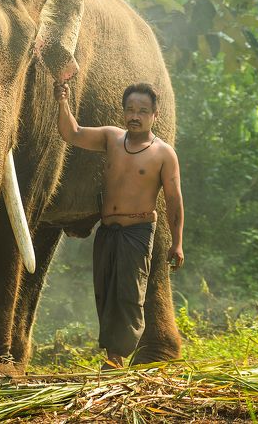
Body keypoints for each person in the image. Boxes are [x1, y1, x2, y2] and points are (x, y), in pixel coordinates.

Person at [54, 81, 184, 369]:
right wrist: (63, 101)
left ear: (155, 115)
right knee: (105, 291)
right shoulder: (112, 138)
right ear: (123, 112)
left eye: (143, 111)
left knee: (128, 293)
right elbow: (71, 133)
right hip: (107, 230)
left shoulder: (163, 154)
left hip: (136, 232)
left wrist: (177, 242)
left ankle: (117, 359)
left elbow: (174, 202)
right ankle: (113, 355)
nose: (135, 116)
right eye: (130, 110)